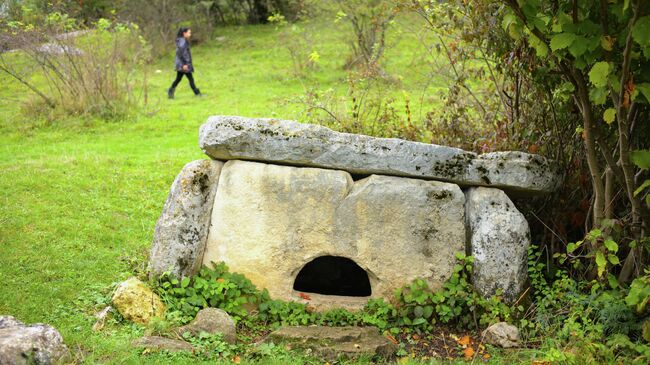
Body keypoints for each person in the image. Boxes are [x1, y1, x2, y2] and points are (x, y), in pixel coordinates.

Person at [168, 27, 202, 99]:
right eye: (189, 33)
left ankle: (170, 91)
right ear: (184, 33)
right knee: (190, 79)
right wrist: (184, 64)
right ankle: (197, 93)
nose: (190, 34)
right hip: (184, 65)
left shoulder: (182, 41)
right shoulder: (182, 42)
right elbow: (180, 54)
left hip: (183, 64)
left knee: (178, 79)